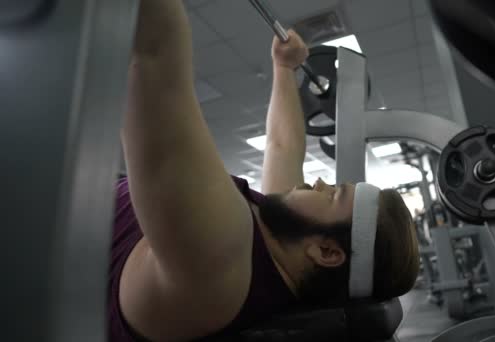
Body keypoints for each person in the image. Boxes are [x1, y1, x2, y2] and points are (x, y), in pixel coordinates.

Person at [109, 0, 420, 341]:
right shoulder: (276, 250)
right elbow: (282, 147)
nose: (317, 183)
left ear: (326, 252)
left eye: (332, 195)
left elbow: (154, 52)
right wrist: (284, 68)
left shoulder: (221, 262)